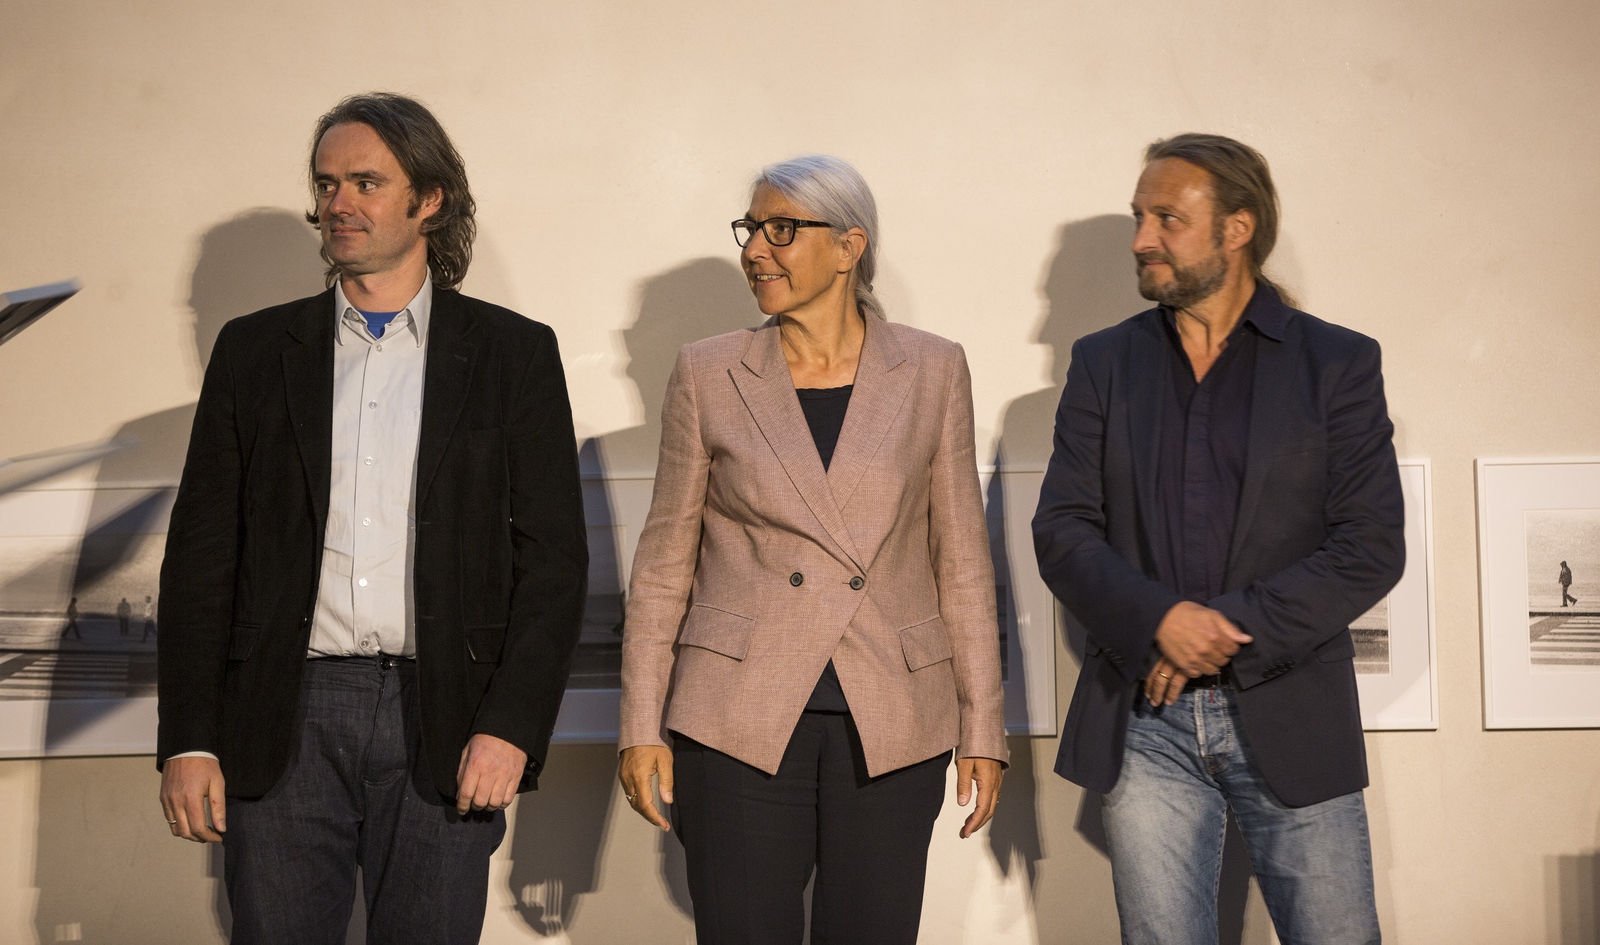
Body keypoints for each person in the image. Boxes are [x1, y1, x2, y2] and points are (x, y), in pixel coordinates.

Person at [156, 93, 588, 944]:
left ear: (429, 200)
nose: (338, 204)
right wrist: (190, 740)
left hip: (447, 717)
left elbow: (553, 566)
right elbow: (203, 559)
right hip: (284, 713)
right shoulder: (253, 352)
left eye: (365, 183)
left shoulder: (513, 354)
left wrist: (510, 727)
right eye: (326, 185)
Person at [618, 155, 1007, 944]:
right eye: (751, 230)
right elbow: (663, 568)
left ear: (848, 246)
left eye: (782, 230)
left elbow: (963, 563)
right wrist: (641, 725)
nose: (756, 250)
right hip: (735, 713)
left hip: (891, 712)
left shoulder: (933, 369)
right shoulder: (708, 371)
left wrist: (983, 727)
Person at [1033, 133, 1404, 945]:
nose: (1142, 238)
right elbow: (1062, 531)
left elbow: (1370, 544)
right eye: (1140, 216)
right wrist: (1160, 621)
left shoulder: (1336, 363)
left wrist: (1221, 630)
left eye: (1167, 218)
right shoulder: (1104, 363)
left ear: (1237, 228)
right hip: (1144, 720)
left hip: (1292, 707)